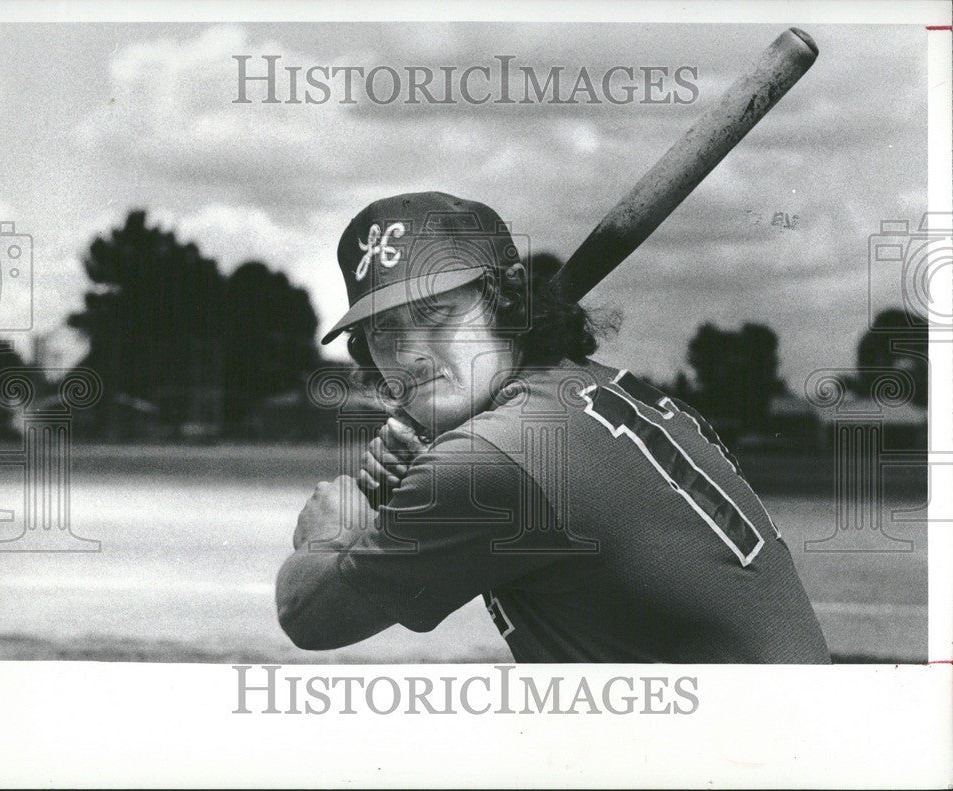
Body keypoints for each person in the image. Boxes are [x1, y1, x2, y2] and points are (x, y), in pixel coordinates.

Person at [275, 191, 830, 663]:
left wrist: (334, 531)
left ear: (507, 298)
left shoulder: (493, 459)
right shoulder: (598, 392)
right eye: (381, 331)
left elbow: (311, 617)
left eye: (435, 313)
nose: (408, 354)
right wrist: (425, 472)